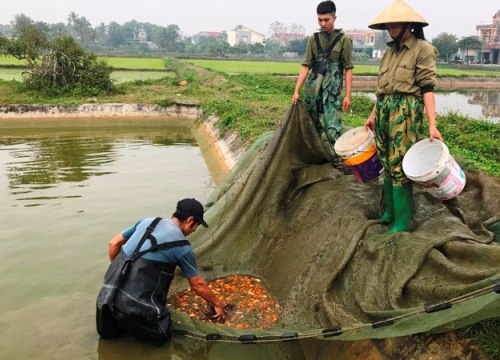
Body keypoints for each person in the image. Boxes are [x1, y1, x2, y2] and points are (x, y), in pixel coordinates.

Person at [96, 198, 226, 345]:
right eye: (196, 225)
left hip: (105, 300)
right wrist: (217, 304)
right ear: (190, 220)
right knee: (163, 335)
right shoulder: (183, 247)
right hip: (131, 309)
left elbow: (113, 243)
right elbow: (198, 285)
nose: (195, 230)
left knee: (110, 341)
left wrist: (123, 272)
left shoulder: (147, 221)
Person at [364, 0, 443, 233]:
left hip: (406, 114)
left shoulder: (423, 50)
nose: (391, 27)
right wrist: (372, 116)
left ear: (408, 24)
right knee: (387, 163)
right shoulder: (388, 53)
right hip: (384, 112)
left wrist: (432, 125)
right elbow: (382, 92)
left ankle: (401, 222)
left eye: (395, 23)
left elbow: (428, 89)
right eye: (388, 24)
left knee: (400, 165)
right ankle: (388, 212)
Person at [292, 0, 353, 146]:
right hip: (313, 89)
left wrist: (348, 95)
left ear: (334, 18)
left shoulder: (344, 40)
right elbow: (306, 66)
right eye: (320, 20)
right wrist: (296, 90)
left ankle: (334, 157)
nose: (323, 24)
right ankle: (313, 153)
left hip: (332, 91)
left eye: (327, 20)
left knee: (332, 126)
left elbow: (348, 68)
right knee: (311, 125)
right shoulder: (313, 39)